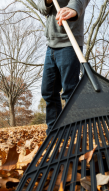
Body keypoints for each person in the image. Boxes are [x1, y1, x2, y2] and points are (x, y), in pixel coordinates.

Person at [38, 0, 89, 135]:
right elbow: (42, 9)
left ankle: (73, 134)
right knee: (48, 91)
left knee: (70, 91)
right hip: (51, 45)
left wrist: (73, 8)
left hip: (69, 41)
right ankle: (54, 133)